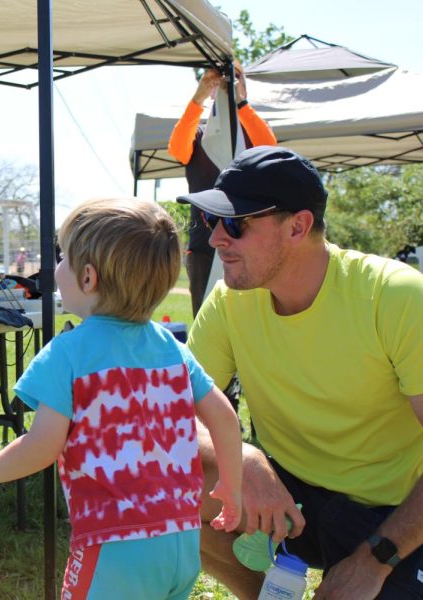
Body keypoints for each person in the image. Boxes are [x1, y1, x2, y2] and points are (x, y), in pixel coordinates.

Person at [0, 198, 243, 598]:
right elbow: (222, 416)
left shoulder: (68, 353)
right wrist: (231, 488)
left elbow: (41, 446)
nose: (56, 268)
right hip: (181, 538)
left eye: (63, 258)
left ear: (88, 279)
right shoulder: (171, 347)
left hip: (114, 544)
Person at [178, 146, 423, 599]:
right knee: (159, 477)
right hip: (287, 498)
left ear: (298, 226)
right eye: (212, 222)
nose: (215, 239)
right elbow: (169, 413)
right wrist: (246, 459)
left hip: (390, 518)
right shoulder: (229, 301)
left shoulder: (395, 296)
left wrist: (374, 562)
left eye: (234, 223)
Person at [167, 62, 277, 317]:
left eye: (235, 78)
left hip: (250, 241)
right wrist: (200, 96)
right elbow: (177, 149)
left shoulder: (252, 133)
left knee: (251, 319)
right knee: (206, 318)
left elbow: (271, 148)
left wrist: (241, 104)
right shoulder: (200, 136)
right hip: (204, 244)